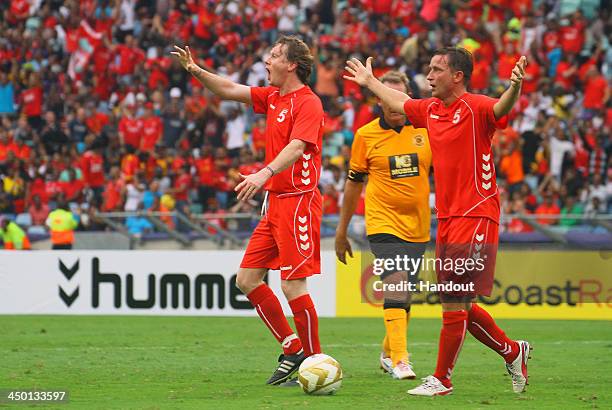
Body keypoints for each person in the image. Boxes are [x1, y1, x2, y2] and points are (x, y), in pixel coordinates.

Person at [344, 47, 531, 396]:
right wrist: (370, 82)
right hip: (446, 218)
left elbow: (502, 107)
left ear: (456, 76)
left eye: (436, 70)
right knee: (460, 302)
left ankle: (442, 379)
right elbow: (398, 101)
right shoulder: (430, 110)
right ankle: (512, 351)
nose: (428, 76)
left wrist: (515, 88)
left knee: (453, 296)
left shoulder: (476, 107)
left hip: (476, 213)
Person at [172, 35, 324, 385]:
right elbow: (227, 90)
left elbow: (299, 146)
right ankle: (292, 347)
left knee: (293, 287)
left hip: (298, 200)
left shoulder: (308, 103)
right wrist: (195, 70)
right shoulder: (272, 97)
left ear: (292, 65)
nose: (266, 62)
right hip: (275, 203)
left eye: (273, 56)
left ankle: (317, 362)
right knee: (246, 279)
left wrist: (265, 171)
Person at [335, 71, 432, 380]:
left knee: (405, 294)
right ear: (378, 99)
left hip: (418, 225)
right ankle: (402, 360)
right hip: (382, 221)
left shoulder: (425, 129)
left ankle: (389, 353)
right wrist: (342, 231)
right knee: (397, 283)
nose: (396, 104)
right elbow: (353, 186)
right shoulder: (365, 136)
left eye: (402, 98)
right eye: (390, 98)